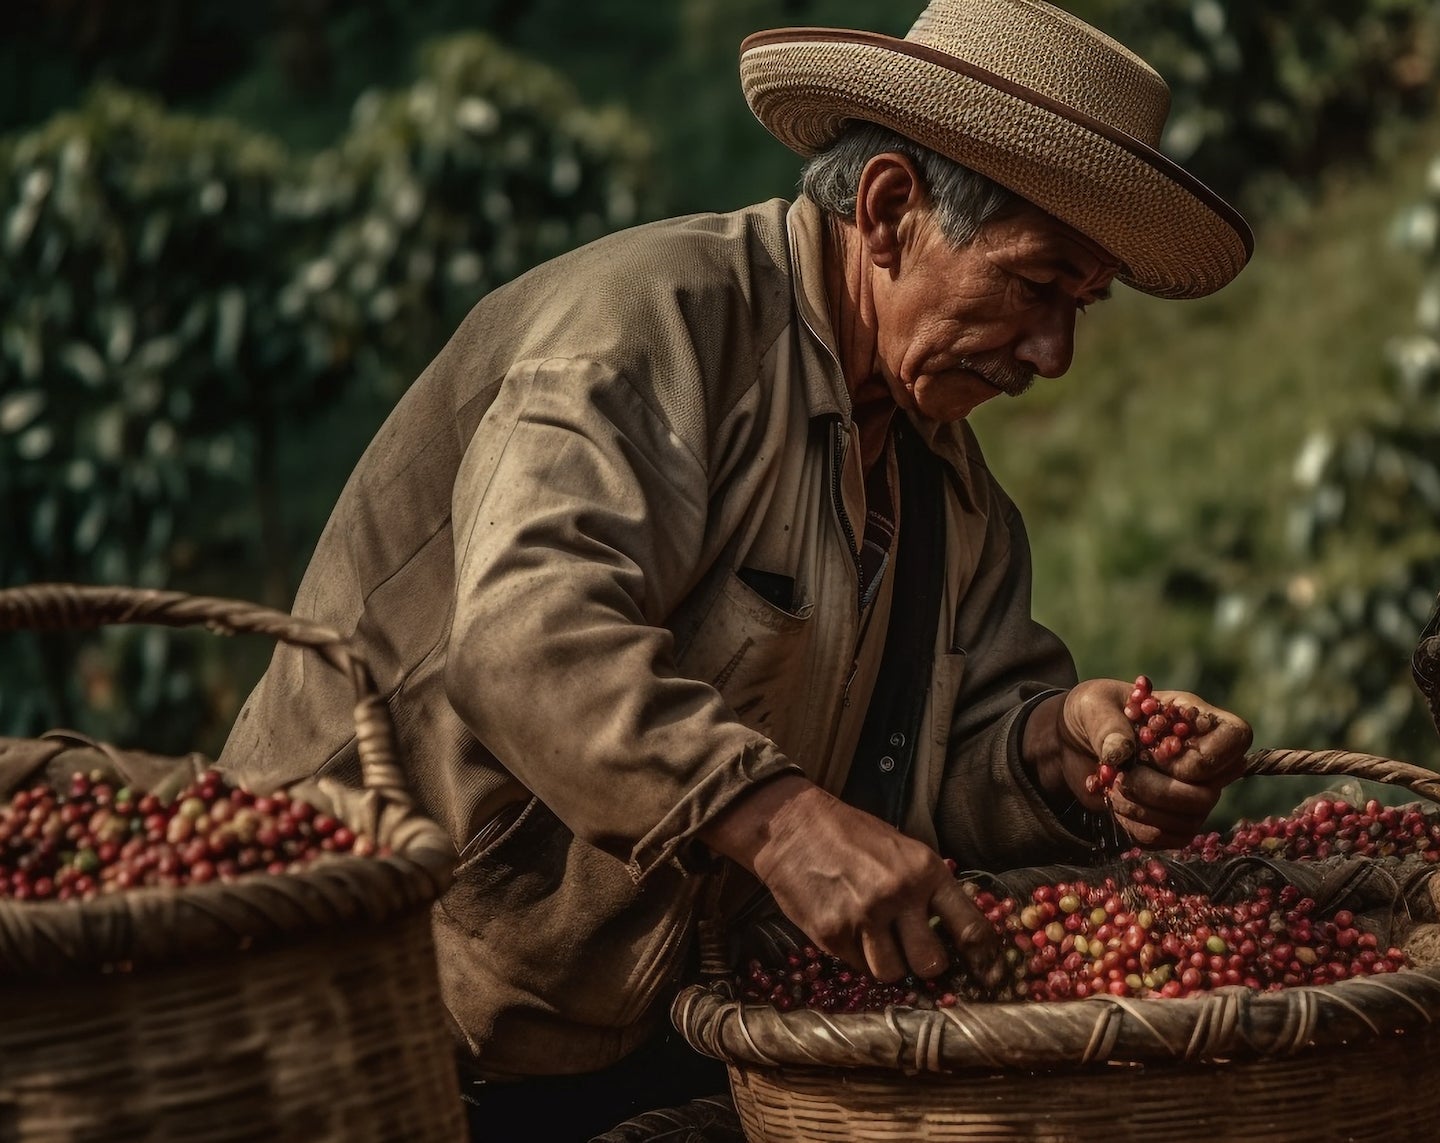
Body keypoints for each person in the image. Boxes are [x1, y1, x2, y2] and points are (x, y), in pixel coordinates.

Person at [218, 0, 1257, 1137]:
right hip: (368, 1017)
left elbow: (922, 784)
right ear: (890, 210)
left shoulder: (953, 501)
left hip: (643, 1041)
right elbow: (527, 640)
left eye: (1080, 307)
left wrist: (1055, 750)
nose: (1054, 354)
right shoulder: (646, 330)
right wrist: (780, 822)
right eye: (1033, 284)